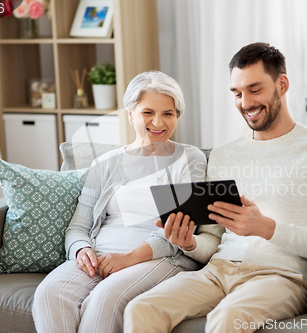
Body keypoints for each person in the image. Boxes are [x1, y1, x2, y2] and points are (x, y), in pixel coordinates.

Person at [123, 42, 307, 333]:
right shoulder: (224, 154)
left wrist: (266, 227)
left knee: (227, 317)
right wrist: (188, 242)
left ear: (282, 84)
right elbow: (212, 242)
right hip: (218, 270)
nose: (245, 103)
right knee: (141, 308)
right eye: (238, 93)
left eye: (255, 90)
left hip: (281, 277)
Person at [32, 71, 220, 333]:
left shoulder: (190, 158)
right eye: (147, 113)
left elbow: (178, 229)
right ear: (130, 113)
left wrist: (129, 258)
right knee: (49, 292)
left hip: (159, 258)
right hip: (100, 255)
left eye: (168, 113)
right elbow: (78, 227)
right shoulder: (104, 163)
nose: (158, 122)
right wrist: (81, 250)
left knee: (106, 297)